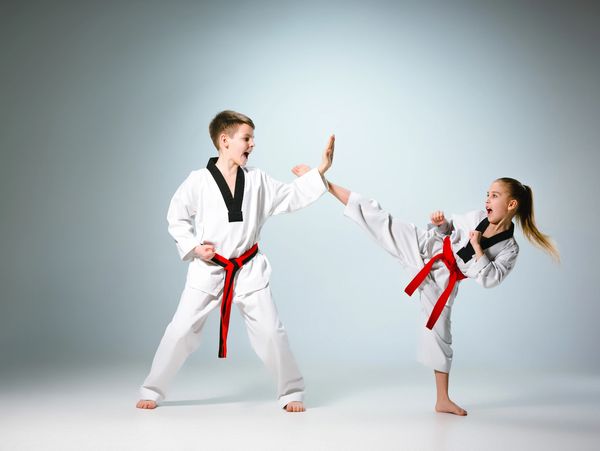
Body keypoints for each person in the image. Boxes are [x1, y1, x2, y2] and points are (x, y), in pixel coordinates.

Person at [292, 165, 558, 416]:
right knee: (379, 217)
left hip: (443, 281)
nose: (487, 200)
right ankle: (323, 182)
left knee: (439, 332)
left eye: (494, 196)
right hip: (427, 248)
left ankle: (442, 400)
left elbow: (490, 280)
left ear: (511, 204)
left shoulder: (510, 248)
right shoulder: (478, 217)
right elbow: (449, 229)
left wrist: (478, 249)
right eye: (487, 194)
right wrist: (441, 224)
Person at [137, 110, 334, 413]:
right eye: (247, 138)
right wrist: (192, 246)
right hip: (209, 269)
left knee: (271, 331)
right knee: (179, 331)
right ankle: (152, 389)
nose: (252, 144)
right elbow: (175, 216)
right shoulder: (198, 181)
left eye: (253, 138)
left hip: (248, 268)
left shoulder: (257, 179)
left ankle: (291, 392)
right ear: (224, 140)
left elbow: (291, 196)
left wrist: (320, 169)